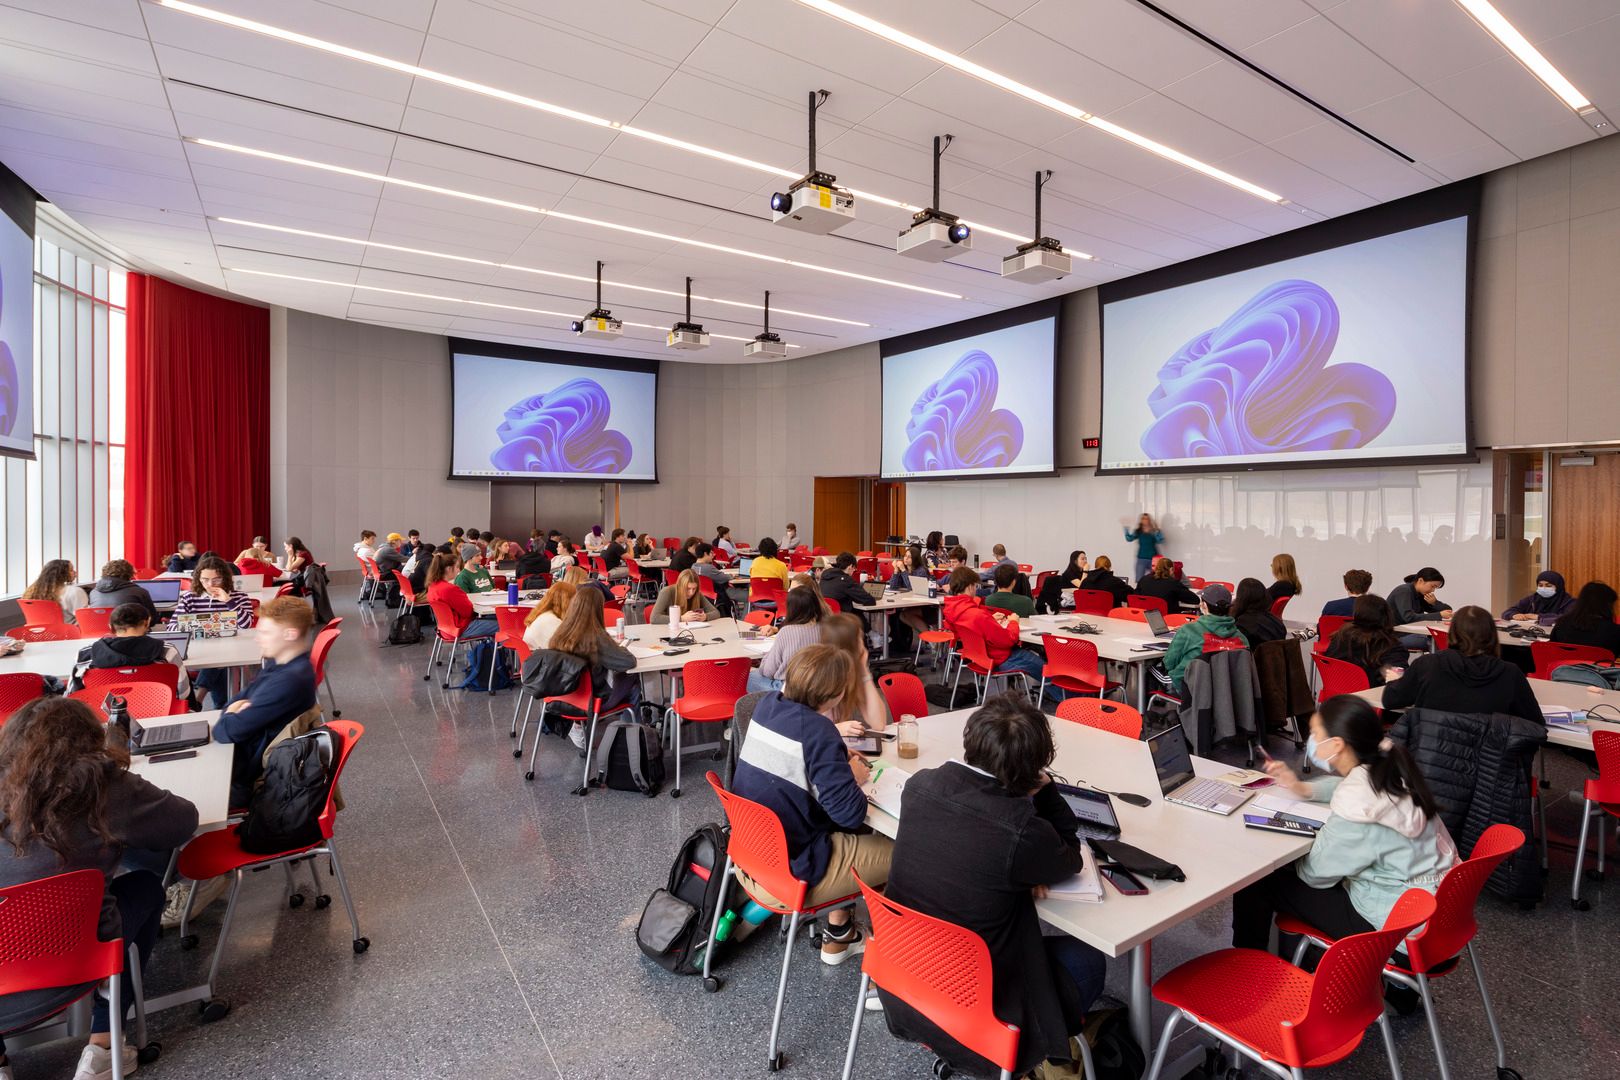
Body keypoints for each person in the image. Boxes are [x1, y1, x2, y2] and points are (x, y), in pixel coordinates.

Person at [882, 695, 1106, 1076]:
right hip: (982, 1008)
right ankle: (1046, 1057)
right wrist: (1046, 790)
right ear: (1035, 765)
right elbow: (1070, 854)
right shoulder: (1020, 832)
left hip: (904, 982)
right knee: (1089, 961)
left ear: (970, 738)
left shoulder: (919, 786)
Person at [0, 697, 199, 1080]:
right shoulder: (103, 786)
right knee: (144, 887)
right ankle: (103, 1045)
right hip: (79, 961)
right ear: (91, 739)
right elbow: (182, 822)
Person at [1232, 696, 1457, 966]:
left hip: (1399, 933)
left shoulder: (1359, 805)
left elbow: (1315, 875)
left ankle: (1245, 965)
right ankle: (1400, 992)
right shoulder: (1391, 766)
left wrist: (1296, 851)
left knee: (1258, 880)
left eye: (1315, 733)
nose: (1311, 740)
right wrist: (1304, 789)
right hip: (1441, 921)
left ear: (1336, 744)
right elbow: (1348, 783)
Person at [732, 645, 890, 965]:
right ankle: (896, 958)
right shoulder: (819, 731)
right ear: (832, 695)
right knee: (905, 854)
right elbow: (849, 814)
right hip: (794, 867)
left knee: (840, 827)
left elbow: (793, 767)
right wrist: (852, 776)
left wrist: (834, 766)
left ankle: (840, 934)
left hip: (751, 850)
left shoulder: (767, 706)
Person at [214, 596, 319, 807]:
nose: (257, 638)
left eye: (264, 633)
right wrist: (232, 711)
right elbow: (233, 703)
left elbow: (225, 731)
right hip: (240, 758)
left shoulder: (290, 680)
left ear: (290, 634)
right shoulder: (278, 664)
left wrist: (230, 714)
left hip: (246, 779)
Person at [1381, 605, 1540, 727]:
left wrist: (1394, 680)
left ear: (1452, 632)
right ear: (1492, 634)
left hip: (1431, 759)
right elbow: (1535, 722)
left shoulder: (1427, 664)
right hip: (1490, 763)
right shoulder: (1509, 673)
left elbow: (1391, 700)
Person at [549, 589, 638, 750]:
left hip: (563, 698)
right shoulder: (596, 637)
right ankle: (635, 740)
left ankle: (578, 725)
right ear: (598, 609)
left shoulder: (560, 633)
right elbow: (628, 662)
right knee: (633, 680)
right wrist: (620, 647)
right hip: (592, 702)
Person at [942, 567, 1047, 694]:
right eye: (975, 586)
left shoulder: (953, 610)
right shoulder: (977, 615)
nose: (976, 590)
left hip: (978, 657)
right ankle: (1068, 701)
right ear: (970, 586)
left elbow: (970, 627)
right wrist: (1013, 622)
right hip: (1001, 657)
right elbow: (1008, 640)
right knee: (1047, 670)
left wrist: (989, 618)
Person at [175, 557, 257, 707]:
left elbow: (246, 625)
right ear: (198, 579)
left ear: (225, 578)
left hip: (230, 651)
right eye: (205, 580)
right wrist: (193, 626)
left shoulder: (239, 597)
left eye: (216, 580)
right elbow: (173, 628)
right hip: (199, 652)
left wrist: (228, 601)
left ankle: (200, 698)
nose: (210, 585)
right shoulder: (189, 598)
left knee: (223, 662)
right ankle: (222, 708)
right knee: (221, 665)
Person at [71, 602, 193, 701]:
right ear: (147, 622)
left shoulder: (86, 655)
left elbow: (73, 694)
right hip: (160, 711)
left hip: (103, 716)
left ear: (110, 626)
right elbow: (183, 693)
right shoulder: (166, 651)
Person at [1162, 583, 1246, 693]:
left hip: (1189, 688)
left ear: (1204, 606)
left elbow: (1169, 663)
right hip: (1227, 692)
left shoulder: (1188, 630)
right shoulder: (1241, 638)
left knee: (1149, 670)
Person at [820, 612, 889, 732]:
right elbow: (796, 728)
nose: (863, 644)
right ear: (851, 645)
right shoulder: (815, 675)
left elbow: (879, 723)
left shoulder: (849, 674)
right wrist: (836, 730)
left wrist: (864, 671)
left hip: (831, 743)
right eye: (860, 638)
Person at [748, 586, 825, 693]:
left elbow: (768, 671)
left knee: (749, 677)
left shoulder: (786, 631)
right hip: (819, 686)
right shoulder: (827, 629)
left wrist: (765, 659)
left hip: (789, 689)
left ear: (791, 608)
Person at [1325, 595, 1409, 686]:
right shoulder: (1391, 647)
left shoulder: (1341, 637)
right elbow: (1399, 684)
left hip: (1338, 695)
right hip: (1372, 697)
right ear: (1387, 616)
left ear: (1357, 614)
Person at [426, 551, 500, 645]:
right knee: (505, 625)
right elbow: (467, 612)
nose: (458, 570)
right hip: (461, 628)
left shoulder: (432, 587)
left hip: (445, 629)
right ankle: (500, 657)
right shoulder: (450, 589)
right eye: (457, 567)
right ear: (449, 569)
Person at [1387, 567, 1452, 648]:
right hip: (1396, 635)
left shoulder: (1420, 594)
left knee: (1443, 638)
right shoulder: (1404, 591)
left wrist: (1435, 603)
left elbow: (1448, 610)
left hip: (1410, 632)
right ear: (1420, 581)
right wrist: (1440, 615)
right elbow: (1409, 617)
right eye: (1432, 586)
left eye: (1435, 588)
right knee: (1435, 641)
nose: (1433, 590)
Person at [1551, 581, 1620, 656]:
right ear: (1607, 606)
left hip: (1563, 666)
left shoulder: (1562, 624)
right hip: (1598, 667)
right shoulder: (1613, 631)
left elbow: (1552, 648)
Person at [87, 559, 159, 625]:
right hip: (130, 634)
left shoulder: (93, 593)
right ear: (130, 574)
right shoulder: (139, 592)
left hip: (99, 635)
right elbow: (152, 620)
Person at [22, 558, 89, 625]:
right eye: (71, 570)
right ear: (61, 574)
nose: (75, 572)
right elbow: (85, 619)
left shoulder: (30, 592)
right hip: (67, 633)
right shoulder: (74, 592)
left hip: (37, 633)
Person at [1502, 570, 1575, 626]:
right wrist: (1514, 615)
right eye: (1540, 585)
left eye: (1548, 586)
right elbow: (1506, 612)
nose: (1543, 588)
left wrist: (1538, 617)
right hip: (1531, 635)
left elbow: (1568, 619)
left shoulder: (1569, 602)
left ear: (1558, 587)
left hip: (1556, 638)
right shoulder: (1532, 599)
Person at [818, 553, 871, 628]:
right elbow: (868, 599)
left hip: (824, 618)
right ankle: (872, 634)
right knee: (858, 613)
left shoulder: (824, 577)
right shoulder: (846, 580)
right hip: (842, 619)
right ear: (850, 567)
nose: (853, 572)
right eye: (854, 569)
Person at [1231, 577, 1289, 646]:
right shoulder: (1278, 624)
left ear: (1241, 598)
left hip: (1252, 656)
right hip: (1276, 655)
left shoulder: (1241, 625)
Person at [522, 580, 577, 651]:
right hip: (542, 659)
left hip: (535, 658)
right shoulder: (552, 621)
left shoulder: (544, 615)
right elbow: (565, 649)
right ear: (567, 602)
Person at [651, 569, 720, 624]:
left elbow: (716, 612)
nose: (691, 593)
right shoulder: (667, 592)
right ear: (680, 586)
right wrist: (681, 619)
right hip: (668, 632)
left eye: (694, 588)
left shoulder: (697, 594)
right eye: (687, 589)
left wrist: (705, 617)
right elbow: (654, 618)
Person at [1132, 556, 1200, 611]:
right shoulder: (1173, 583)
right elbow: (1195, 600)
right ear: (1170, 569)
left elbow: (1135, 596)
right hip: (1168, 618)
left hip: (1146, 616)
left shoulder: (1144, 579)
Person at [1035, 551, 1087, 615]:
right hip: (1069, 600)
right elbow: (1082, 586)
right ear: (1075, 561)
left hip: (1078, 599)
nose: (1085, 561)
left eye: (1085, 558)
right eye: (1082, 559)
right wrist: (1086, 571)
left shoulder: (1083, 574)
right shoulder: (1069, 573)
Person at [691, 543, 735, 618]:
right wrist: (731, 575)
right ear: (705, 554)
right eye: (711, 552)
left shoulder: (693, 566)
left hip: (701, 594)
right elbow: (725, 578)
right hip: (714, 596)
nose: (713, 555)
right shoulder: (709, 568)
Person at [1123, 513, 1164, 585]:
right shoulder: (1138, 531)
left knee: (1155, 581)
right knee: (1139, 581)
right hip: (1141, 559)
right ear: (1141, 520)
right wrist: (1126, 528)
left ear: (1149, 520)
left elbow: (1160, 540)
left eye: (1147, 519)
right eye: (1143, 519)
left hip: (1154, 560)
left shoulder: (1154, 531)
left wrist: (1157, 530)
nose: (1145, 520)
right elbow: (1129, 538)